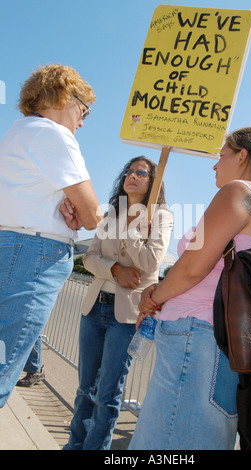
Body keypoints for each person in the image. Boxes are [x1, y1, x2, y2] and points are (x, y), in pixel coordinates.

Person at [129, 127, 251, 450]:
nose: (215, 165)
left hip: (198, 337)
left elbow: (192, 268)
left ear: (242, 156)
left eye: (221, 156)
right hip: (218, 344)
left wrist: (152, 297)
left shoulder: (237, 191)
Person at [0, 64, 102, 408]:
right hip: (34, 256)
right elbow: (91, 216)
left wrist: (71, 209)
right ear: (65, 96)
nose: (83, 122)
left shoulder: (19, 129)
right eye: (83, 110)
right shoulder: (55, 135)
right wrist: (80, 212)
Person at [63, 156, 173, 450]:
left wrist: (133, 231)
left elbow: (151, 263)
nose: (132, 175)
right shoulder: (110, 214)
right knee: (86, 388)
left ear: (154, 182)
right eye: (129, 170)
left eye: (141, 172)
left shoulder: (160, 217)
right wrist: (115, 269)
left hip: (126, 317)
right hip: (94, 307)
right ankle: (74, 446)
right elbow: (89, 257)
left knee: (108, 392)